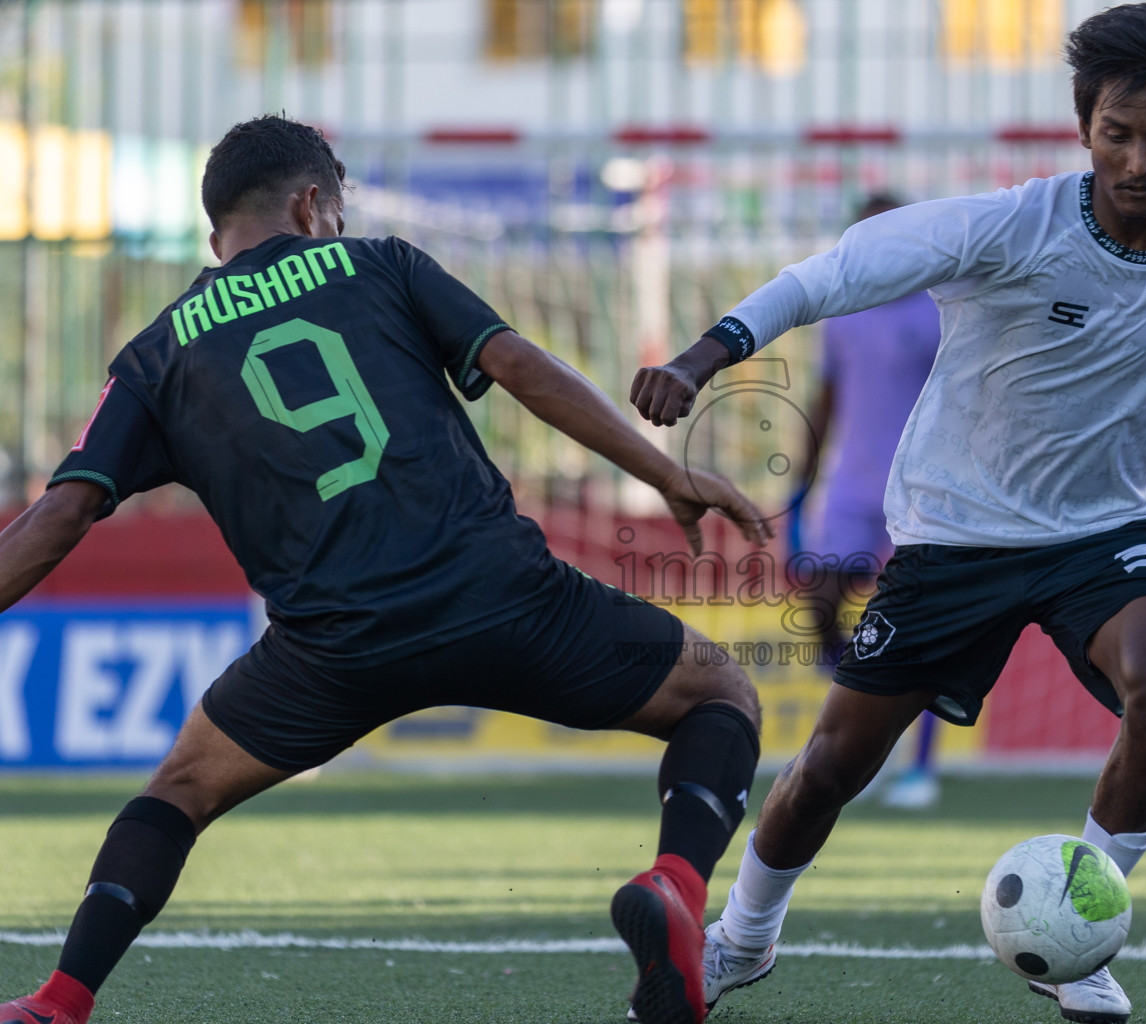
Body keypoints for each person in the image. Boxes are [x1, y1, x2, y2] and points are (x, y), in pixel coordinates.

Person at [629, 6, 1146, 1022]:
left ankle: (1081, 929)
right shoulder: (1008, 226)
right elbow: (835, 274)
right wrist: (703, 357)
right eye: (1117, 133)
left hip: (1106, 533)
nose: (1139, 159)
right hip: (958, 533)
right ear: (1085, 127)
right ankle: (744, 936)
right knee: (831, 767)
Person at [0, 115, 768, 1024]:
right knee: (720, 696)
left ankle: (59, 999)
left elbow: (62, 513)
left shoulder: (157, 355)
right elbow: (521, 367)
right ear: (312, 202)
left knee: (179, 790)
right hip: (503, 597)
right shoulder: (380, 265)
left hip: (332, 651)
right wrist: (669, 475)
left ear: (216, 236)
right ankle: (677, 884)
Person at [789, 193, 946, 809]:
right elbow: (826, 396)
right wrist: (801, 482)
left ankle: (920, 769)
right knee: (821, 606)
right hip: (852, 486)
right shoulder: (844, 311)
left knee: (925, 625)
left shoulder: (938, 309)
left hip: (923, 487)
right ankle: (866, 736)